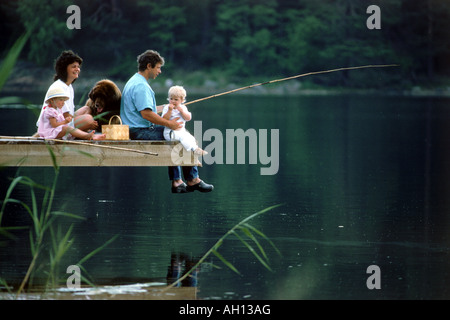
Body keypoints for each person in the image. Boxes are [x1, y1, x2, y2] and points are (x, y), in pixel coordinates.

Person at [120, 49, 213, 193]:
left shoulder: (134, 81)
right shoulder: (141, 86)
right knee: (179, 137)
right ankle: (188, 180)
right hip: (139, 131)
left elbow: (142, 110)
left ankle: (182, 180)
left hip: (135, 128)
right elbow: (146, 114)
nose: (160, 71)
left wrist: (167, 108)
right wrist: (169, 123)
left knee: (179, 134)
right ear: (149, 66)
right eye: (158, 67)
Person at [36, 50, 98, 136]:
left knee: (87, 109)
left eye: (78, 67)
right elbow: (65, 115)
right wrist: (87, 123)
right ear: (65, 69)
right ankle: (78, 134)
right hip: (54, 126)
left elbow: (69, 115)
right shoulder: (59, 87)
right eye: (73, 67)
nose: (77, 69)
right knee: (88, 120)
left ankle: (78, 133)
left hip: (64, 120)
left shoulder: (69, 86)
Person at [37, 87, 106, 140]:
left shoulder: (57, 110)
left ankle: (89, 135)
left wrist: (68, 120)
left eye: (64, 100)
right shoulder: (50, 111)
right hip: (50, 133)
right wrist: (65, 121)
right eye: (61, 100)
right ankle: (87, 136)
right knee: (68, 128)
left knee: (69, 128)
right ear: (52, 100)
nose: (63, 102)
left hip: (55, 131)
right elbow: (54, 125)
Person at [161, 85, 207, 156]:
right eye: (171, 99)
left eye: (176, 100)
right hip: (170, 133)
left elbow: (188, 118)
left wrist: (182, 112)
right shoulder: (167, 108)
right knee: (183, 137)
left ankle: (194, 151)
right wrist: (170, 111)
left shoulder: (183, 108)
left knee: (191, 138)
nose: (173, 101)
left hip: (182, 131)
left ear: (182, 100)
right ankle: (195, 150)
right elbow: (163, 119)